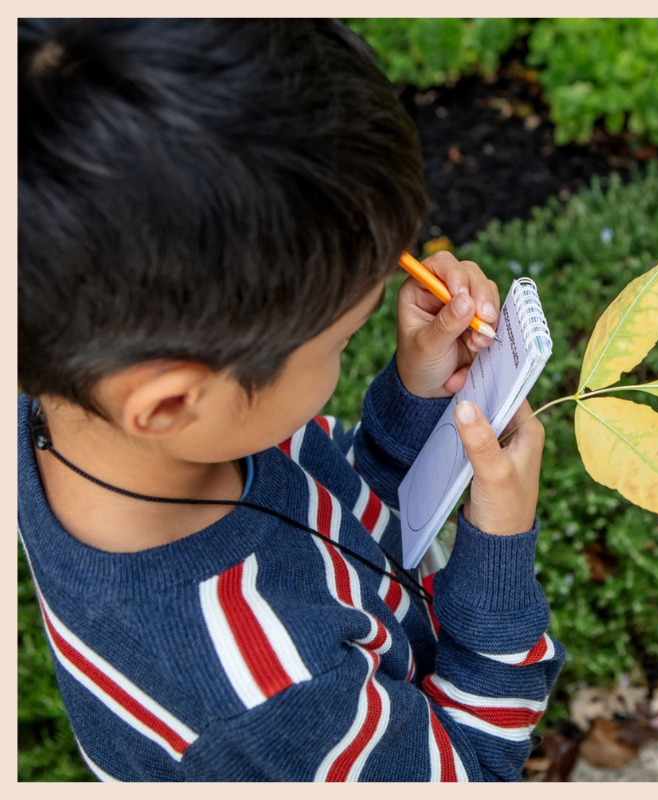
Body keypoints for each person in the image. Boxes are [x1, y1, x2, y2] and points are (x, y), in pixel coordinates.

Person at [18, 19, 565, 782]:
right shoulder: (269, 695)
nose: (349, 353)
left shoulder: (79, 404)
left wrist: (411, 397)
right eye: (339, 344)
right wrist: (497, 553)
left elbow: (335, 511)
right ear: (171, 402)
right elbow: (468, 769)